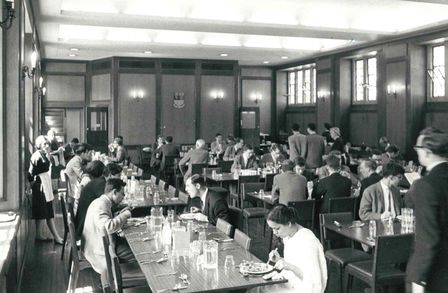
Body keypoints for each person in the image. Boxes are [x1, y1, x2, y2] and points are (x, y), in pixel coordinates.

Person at [406, 127, 448, 293]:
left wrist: (418, 279)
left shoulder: (425, 185)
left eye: (418, 148)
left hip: (435, 274)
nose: (417, 151)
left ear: (428, 152)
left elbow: (428, 240)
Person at [257, 205, 327, 293]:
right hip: (292, 282)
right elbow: (297, 262)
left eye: (277, 228)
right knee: (257, 288)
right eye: (272, 229)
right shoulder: (289, 235)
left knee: (259, 289)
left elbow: (313, 282)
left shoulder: (308, 242)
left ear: (289, 223)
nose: (274, 233)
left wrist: (289, 266)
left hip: (303, 288)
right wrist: (279, 260)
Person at [82, 178, 135, 285]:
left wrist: (119, 214)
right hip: (100, 248)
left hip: (104, 242)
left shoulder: (101, 201)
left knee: (133, 245)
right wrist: (126, 214)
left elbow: (105, 222)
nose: (123, 197)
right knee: (137, 254)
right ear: (114, 192)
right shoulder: (101, 205)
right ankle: (119, 280)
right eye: (122, 194)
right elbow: (108, 227)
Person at [27, 135, 64, 244]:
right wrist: (32, 186)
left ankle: (39, 235)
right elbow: (30, 174)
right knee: (47, 212)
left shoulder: (43, 155)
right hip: (40, 186)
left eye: (48, 144)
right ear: (38, 146)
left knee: (44, 211)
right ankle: (57, 237)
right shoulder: (36, 156)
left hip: (44, 183)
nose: (47, 146)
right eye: (44, 144)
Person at [75, 160, 108, 238]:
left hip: (82, 222)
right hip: (87, 227)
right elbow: (105, 202)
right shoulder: (99, 183)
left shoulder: (92, 181)